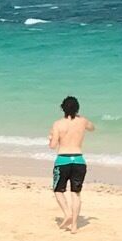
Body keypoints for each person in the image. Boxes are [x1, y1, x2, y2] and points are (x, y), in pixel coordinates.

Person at [47, 96, 93, 232]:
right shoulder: (82, 121)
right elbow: (92, 127)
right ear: (77, 108)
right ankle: (74, 225)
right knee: (76, 193)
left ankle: (67, 213)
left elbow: (53, 145)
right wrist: (80, 118)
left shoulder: (58, 124)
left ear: (63, 109)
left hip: (63, 160)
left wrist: (50, 139)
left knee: (58, 190)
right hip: (79, 160)